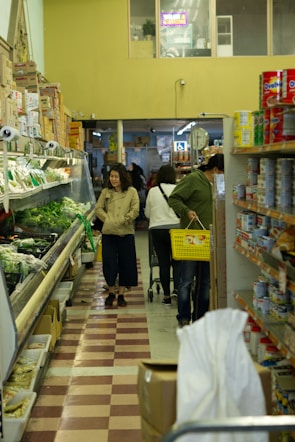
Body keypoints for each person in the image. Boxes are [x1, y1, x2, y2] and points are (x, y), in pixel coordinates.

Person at [168, 153, 224, 327]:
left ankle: (199, 317)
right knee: (186, 280)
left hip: (209, 239)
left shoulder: (218, 186)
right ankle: (183, 317)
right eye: (223, 172)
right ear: (215, 170)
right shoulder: (194, 179)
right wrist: (186, 211)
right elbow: (173, 198)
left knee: (205, 281)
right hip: (191, 238)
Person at [95, 163, 139, 307]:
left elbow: (135, 209)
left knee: (126, 264)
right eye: (111, 176)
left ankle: (121, 294)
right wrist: (108, 219)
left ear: (122, 177)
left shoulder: (131, 192)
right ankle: (111, 292)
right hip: (108, 233)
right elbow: (98, 208)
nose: (113, 179)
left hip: (125, 233)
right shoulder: (105, 192)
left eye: (116, 176)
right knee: (109, 264)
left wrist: (125, 219)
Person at [145, 164, 180, 305]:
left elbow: (147, 213)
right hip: (176, 229)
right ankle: (177, 290)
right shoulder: (178, 189)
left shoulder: (153, 191)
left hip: (157, 230)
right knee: (177, 262)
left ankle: (166, 296)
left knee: (163, 263)